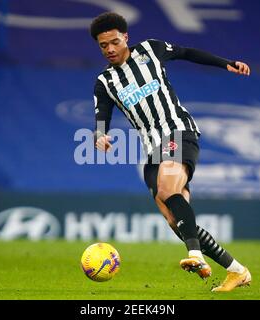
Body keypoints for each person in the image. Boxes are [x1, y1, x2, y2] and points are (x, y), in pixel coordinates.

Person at [90, 12, 251, 292]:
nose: (110, 49)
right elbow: (101, 114)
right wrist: (100, 134)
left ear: (126, 37)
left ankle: (195, 255)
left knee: (167, 186)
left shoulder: (150, 49)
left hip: (178, 131)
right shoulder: (105, 81)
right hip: (151, 148)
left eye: (114, 42)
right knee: (173, 217)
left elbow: (187, 52)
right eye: (104, 45)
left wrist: (226, 64)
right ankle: (237, 271)